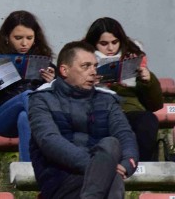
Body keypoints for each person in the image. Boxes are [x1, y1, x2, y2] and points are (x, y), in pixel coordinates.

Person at [29, 41, 139, 198]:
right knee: (112, 179)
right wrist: (100, 165)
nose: (93, 72)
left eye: (95, 66)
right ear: (64, 70)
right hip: (60, 178)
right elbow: (49, 141)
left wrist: (128, 162)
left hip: (99, 174)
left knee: (111, 144)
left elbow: (125, 134)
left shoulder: (107, 99)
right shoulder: (42, 99)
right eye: (85, 66)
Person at [0, 10, 55, 162]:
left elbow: (60, 101)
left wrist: (53, 84)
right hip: (0, 121)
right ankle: (49, 136)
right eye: (18, 38)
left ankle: (28, 173)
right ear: (7, 38)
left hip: (29, 122)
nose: (24, 43)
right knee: (27, 96)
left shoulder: (45, 64)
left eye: (29, 38)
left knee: (24, 117)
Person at [83, 17, 163, 161]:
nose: (110, 48)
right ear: (94, 44)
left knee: (147, 120)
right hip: (99, 111)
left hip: (130, 111)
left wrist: (147, 80)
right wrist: (88, 83)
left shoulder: (132, 58)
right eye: (104, 44)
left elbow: (156, 105)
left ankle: (141, 166)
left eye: (115, 42)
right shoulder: (83, 60)